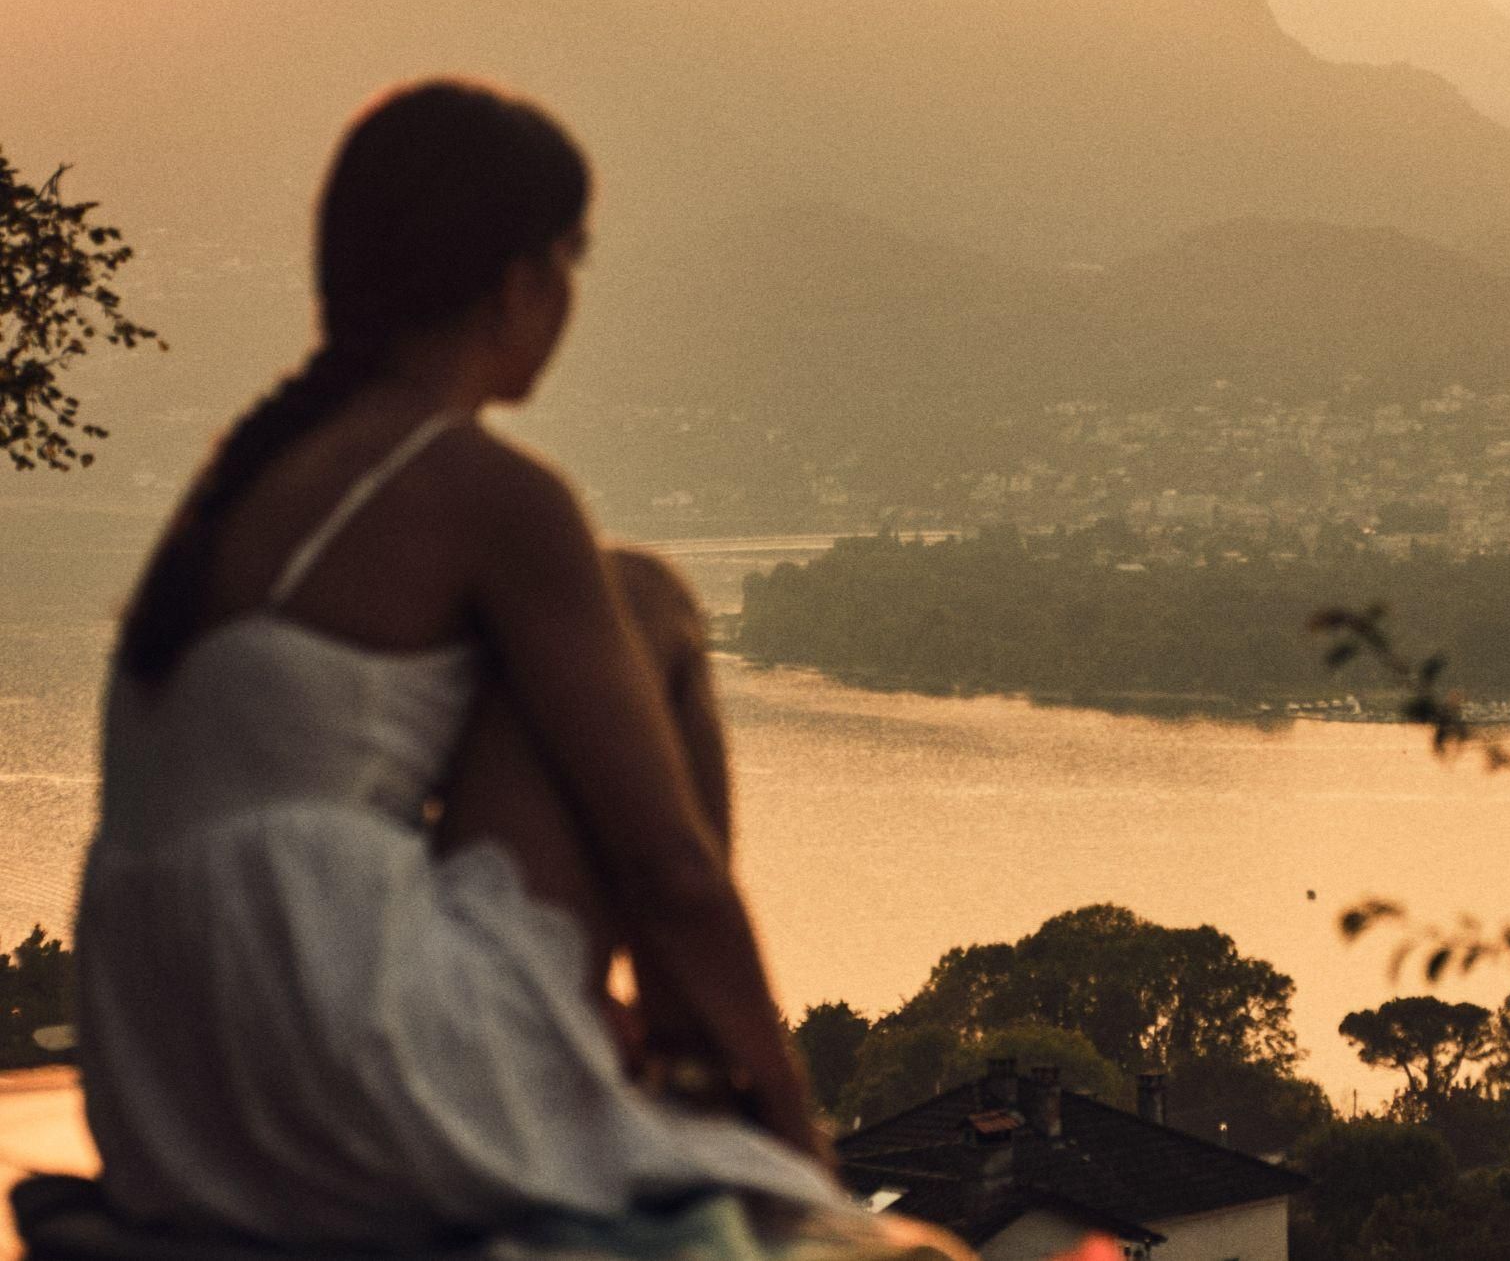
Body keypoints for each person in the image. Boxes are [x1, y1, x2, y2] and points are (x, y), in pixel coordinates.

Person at [72, 80, 966, 1258]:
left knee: (577, 634)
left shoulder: (244, 488)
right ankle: (699, 1073)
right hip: (345, 1080)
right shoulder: (482, 491)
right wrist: (800, 1152)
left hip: (169, 1099)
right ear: (519, 282)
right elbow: (669, 868)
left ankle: (655, 1052)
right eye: (570, 260)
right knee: (642, 598)